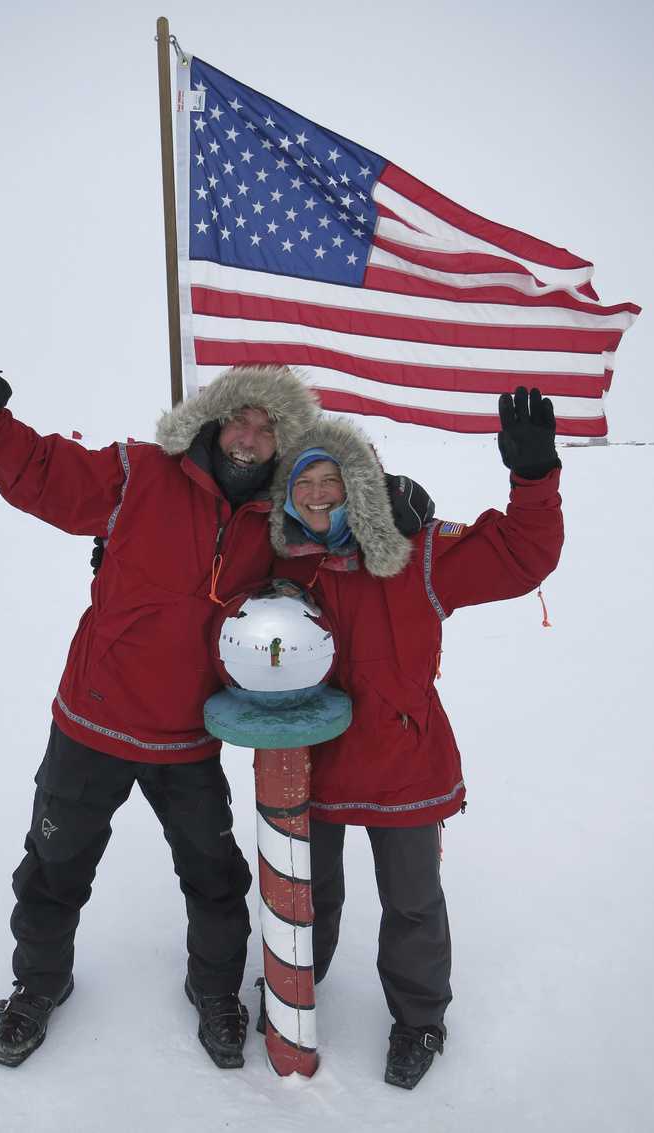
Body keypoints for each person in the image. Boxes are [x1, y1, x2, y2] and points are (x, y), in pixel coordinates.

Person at [0, 298, 432, 1072]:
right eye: (240, 418)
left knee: (214, 877)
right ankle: (38, 984)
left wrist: (385, 507)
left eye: (270, 429)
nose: (251, 436)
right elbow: (42, 475)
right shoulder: (138, 473)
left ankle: (214, 993)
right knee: (54, 865)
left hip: (187, 735)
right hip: (92, 721)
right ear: (213, 418)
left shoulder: (281, 527)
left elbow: (344, 555)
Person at [266, 387, 563, 1089]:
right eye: (304, 481)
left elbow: (524, 556)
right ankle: (292, 993)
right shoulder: (280, 562)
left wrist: (533, 476)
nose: (316, 494)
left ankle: (420, 1017)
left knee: (413, 903)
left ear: (361, 484)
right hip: (310, 766)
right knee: (310, 895)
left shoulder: (421, 553)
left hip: (405, 765)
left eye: (331, 480)